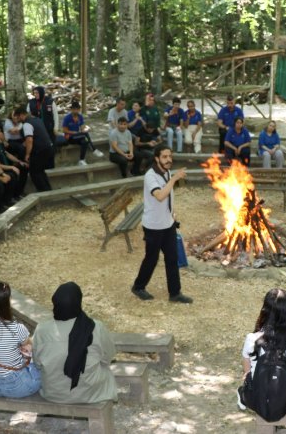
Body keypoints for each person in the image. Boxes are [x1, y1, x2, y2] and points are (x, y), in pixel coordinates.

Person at [33, 282, 117, 404]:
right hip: (89, 393)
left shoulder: (42, 329)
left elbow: (37, 363)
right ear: (79, 302)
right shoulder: (95, 327)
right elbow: (108, 356)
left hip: (53, 393)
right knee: (105, 369)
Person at [130, 146, 192, 303]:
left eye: (170, 156)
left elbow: (169, 196)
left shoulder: (167, 172)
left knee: (172, 258)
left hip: (167, 224)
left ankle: (175, 293)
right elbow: (159, 195)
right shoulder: (150, 176)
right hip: (153, 226)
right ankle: (138, 287)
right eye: (164, 157)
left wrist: (172, 213)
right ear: (157, 158)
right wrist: (174, 179)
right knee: (152, 258)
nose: (168, 160)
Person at [237, 288, 286, 417]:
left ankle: (243, 396)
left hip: (258, 401)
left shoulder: (252, 338)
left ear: (264, 312)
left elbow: (247, 370)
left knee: (248, 373)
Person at [16, 107, 54, 192]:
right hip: (49, 147)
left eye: (18, 117)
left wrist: (27, 154)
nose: (18, 120)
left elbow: (29, 140)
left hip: (40, 150)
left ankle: (44, 192)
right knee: (40, 171)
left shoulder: (27, 124)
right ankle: (48, 190)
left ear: (22, 115)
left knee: (34, 173)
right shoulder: (37, 119)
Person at [62, 100, 104, 166]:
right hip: (69, 137)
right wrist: (73, 132)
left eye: (77, 109)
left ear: (79, 109)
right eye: (74, 109)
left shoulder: (80, 117)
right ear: (72, 109)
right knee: (85, 135)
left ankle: (81, 160)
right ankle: (93, 149)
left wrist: (86, 128)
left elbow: (82, 127)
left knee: (85, 141)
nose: (76, 111)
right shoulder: (67, 118)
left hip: (78, 136)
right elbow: (64, 130)